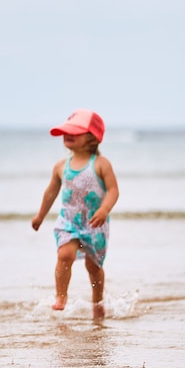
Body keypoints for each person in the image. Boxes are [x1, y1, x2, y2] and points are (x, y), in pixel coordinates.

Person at [31, 109, 119, 320]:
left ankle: (97, 302)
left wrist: (104, 209)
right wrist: (40, 216)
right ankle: (61, 297)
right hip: (68, 221)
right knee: (64, 255)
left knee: (94, 267)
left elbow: (113, 190)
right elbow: (51, 192)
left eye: (74, 132)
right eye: (65, 131)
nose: (67, 135)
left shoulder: (100, 164)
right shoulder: (61, 166)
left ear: (92, 137)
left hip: (94, 223)